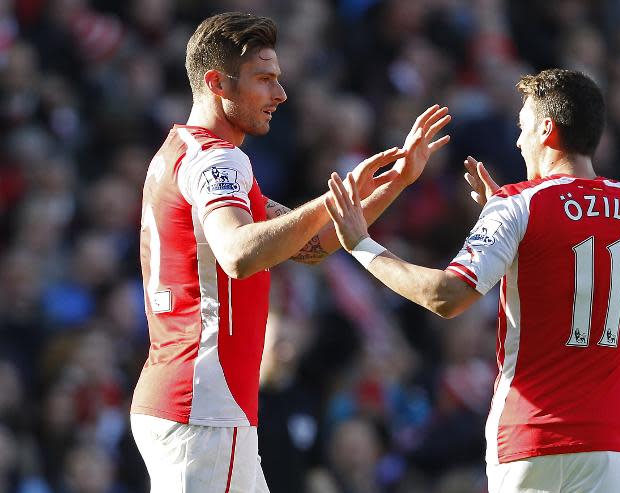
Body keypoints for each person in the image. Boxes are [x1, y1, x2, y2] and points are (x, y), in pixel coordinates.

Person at [128, 12, 450, 493]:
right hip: (204, 406)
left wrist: (395, 183)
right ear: (217, 83)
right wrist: (327, 201)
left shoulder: (184, 151)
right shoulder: (219, 159)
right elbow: (238, 253)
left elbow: (312, 246)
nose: (280, 95)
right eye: (264, 79)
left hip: (195, 402)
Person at [324, 68, 620, 493]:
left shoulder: (518, 205)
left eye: (522, 129)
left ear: (546, 129)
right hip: (613, 442)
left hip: (531, 437)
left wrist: (361, 245)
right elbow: (574, 244)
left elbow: (447, 297)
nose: (518, 142)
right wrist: (513, 226)